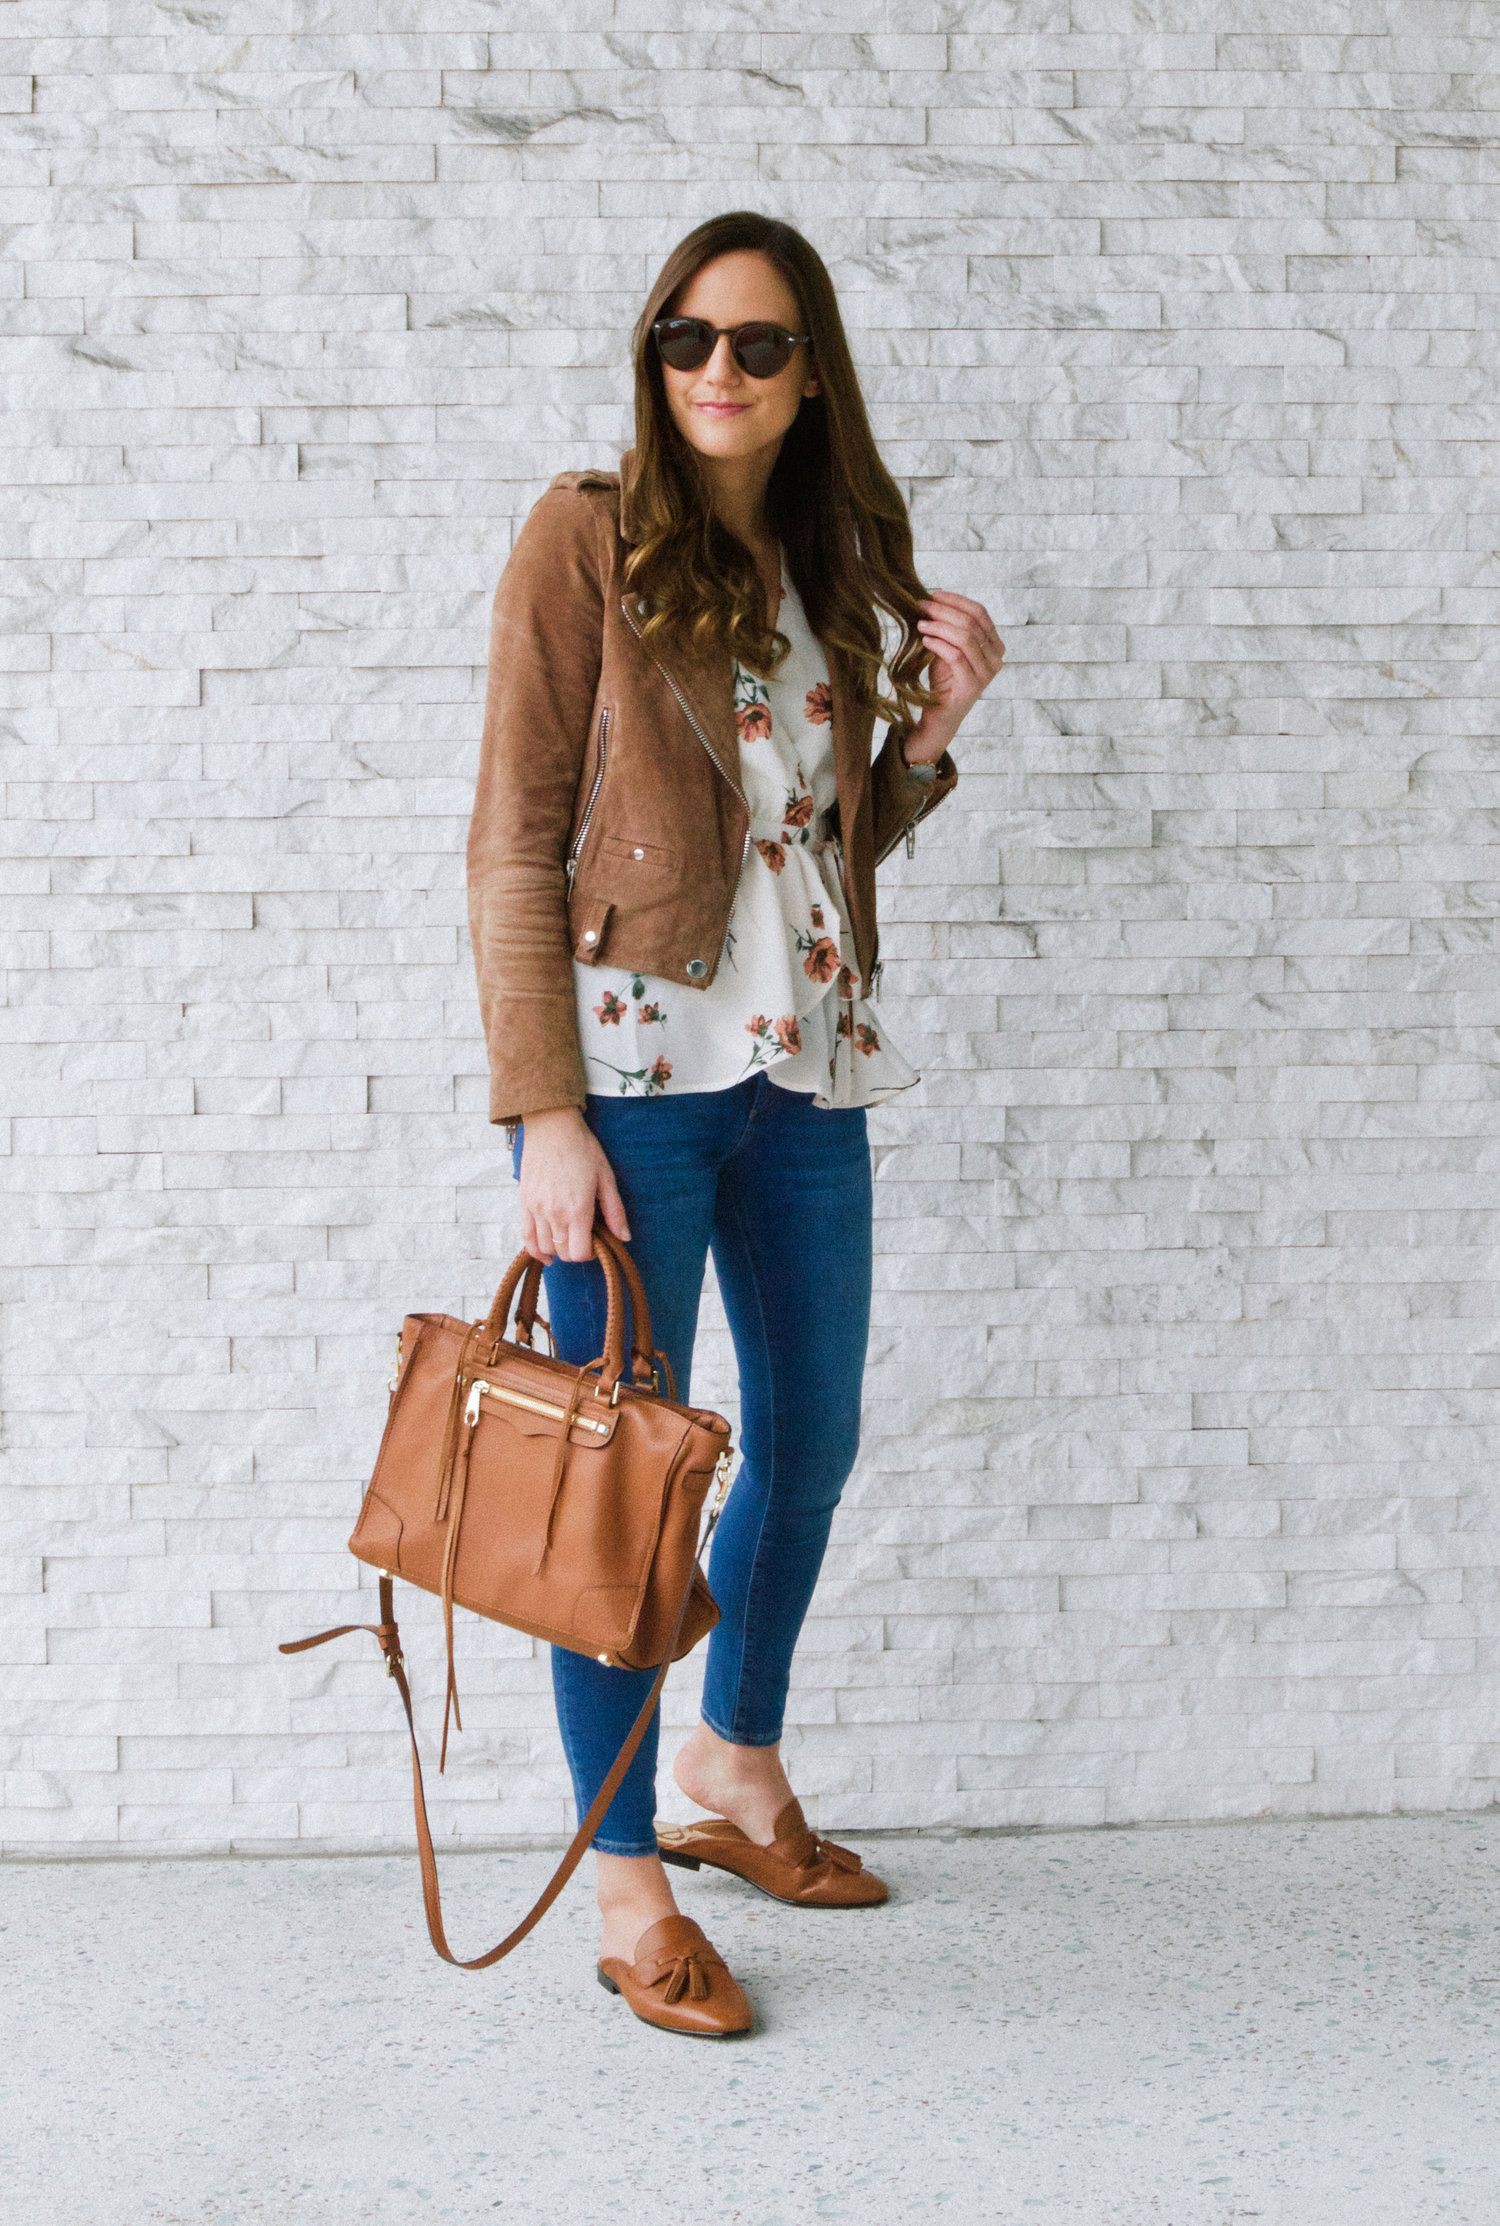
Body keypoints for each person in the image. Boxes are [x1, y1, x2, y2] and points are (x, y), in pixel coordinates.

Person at [466, 210, 1004, 2037]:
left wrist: (921, 741)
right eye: (688, 336)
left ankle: (736, 1767)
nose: (717, 368)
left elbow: (810, 855)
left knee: (813, 1439)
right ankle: (621, 1880)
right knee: (615, 1499)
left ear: (810, 372)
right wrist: (543, 1112)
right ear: (656, 354)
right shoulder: (584, 541)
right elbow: (511, 840)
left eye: (758, 344)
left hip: (802, 1078)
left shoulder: (821, 560)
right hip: (629, 1100)